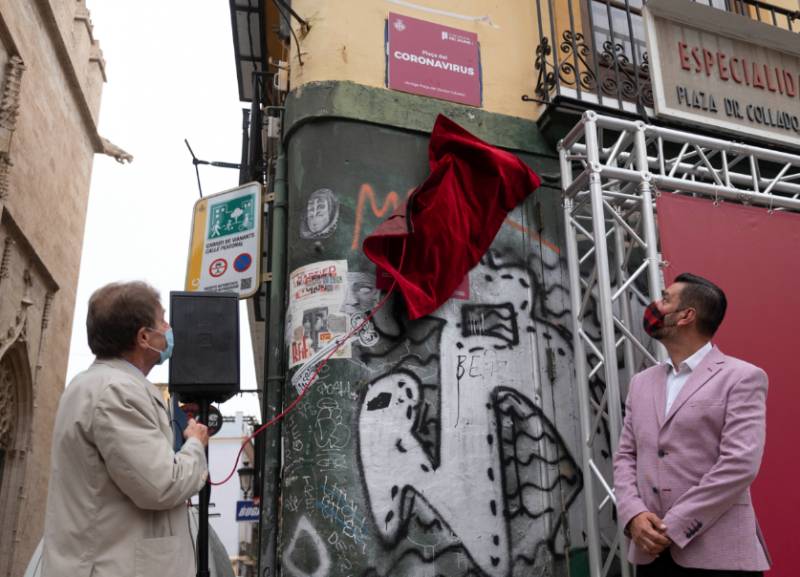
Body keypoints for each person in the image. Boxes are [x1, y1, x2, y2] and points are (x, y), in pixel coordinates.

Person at [41, 282, 209, 577]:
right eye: (162, 321)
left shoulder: (101, 384)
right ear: (144, 337)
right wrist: (195, 444)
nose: (168, 328)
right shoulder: (116, 392)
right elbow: (162, 485)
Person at [614, 273, 770, 576]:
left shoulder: (742, 377)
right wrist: (633, 515)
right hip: (651, 556)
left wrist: (673, 525)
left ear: (686, 315)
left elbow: (739, 464)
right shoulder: (641, 383)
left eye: (665, 299)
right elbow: (625, 456)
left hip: (718, 556)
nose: (655, 305)